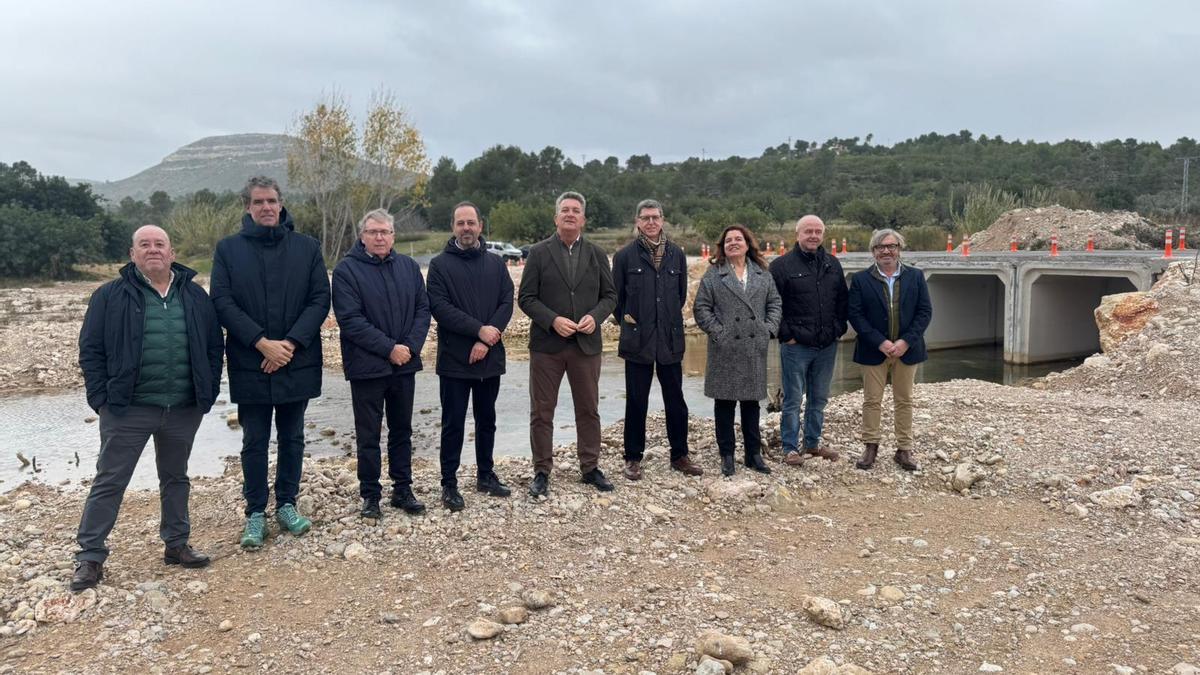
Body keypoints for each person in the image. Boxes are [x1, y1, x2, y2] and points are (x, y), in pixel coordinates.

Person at [72, 225, 224, 591]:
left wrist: (206, 393)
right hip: (127, 409)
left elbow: (212, 348)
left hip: (183, 407)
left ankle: (176, 544)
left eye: (160, 244)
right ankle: (90, 556)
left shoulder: (195, 296)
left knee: (176, 477)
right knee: (110, 480)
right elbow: (90, 350)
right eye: (145, 244)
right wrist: (102, 400)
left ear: (171, 253)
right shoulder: (109, 295)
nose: (153, 249)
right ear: (132, 253)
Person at [211, 176, 330, 548]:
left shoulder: (307, 248)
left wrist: (290, 344)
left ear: (281, 205)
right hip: (251, 359)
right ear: (247, 206)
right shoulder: (228, 250)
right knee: (255, 440)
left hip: (297, 358)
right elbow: (223, 302)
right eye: (259, 201)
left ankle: (288, 504)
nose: (266, 207)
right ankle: (256, 512)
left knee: (293, 437)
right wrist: (262, 343)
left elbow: (319, 299)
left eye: (272, 201)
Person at [331, 209, 431, 519]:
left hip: (404, 365)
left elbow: (422, 310)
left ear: (393, 236)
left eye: (385, 232)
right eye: (373, 232)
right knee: (368, 434)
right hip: (367, 367)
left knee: (402, 430)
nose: (379, 237)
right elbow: (350, 320)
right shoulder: (347, 271)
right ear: (362, 236)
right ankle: (370, 495)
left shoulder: (409, 267)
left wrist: (409, 348)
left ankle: (402, 489)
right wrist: (389, 349)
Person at [517, 191, 617, 496]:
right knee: (542, 411)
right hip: (547, 345)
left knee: (588, 409)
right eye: (565, 210)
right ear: (556, 217)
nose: (570, 214)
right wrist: (552, 320)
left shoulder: (598, 255)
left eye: (575, 210)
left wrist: (595, 317)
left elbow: (610, 297)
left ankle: (590, 467)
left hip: (586, 345)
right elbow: (526, 298)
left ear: (583, 219)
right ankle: (542, 471)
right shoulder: (538, 252)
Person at [426, 202, 514, 511]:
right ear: (453, 227)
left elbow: (506, 301)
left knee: (486, 419)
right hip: (455, 359)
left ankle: (485, 475)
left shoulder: (495, 263)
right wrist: (479, 331)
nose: (466, 228)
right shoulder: (439, 266)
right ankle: (449, 483)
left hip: (490, 356)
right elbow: (441, 308)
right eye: (460, 223)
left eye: (471, 223)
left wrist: (488, 339)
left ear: (480, 225)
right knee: (453, 423)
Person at [612, 199, 702, 480]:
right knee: (636, 401)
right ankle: (632, 458)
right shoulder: (625, 256)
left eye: (656, 217)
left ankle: (680, 455)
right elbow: (617, 300)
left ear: (663, 220)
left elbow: (679, 294)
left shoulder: (676, 255)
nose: (651, 222)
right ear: (637, 222)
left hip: (670, 339)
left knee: (676, 399)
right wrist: (631, 322)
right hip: (637, 340)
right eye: (645, 218)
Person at [693, 224, 781, 477]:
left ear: (747, 243)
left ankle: (753, 454)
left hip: (754, 345)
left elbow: (775, 303)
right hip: (725, 348)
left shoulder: (763, 273)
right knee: (724, 404)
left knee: (752, 404)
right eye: (728, 240)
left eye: (738, 239)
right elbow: (701, 308)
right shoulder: (714, 274)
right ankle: (727, 455)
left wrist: (768, 330)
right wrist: (719, 333)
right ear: (722, 246)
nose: (733, 243)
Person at [847, 228, 933, 471]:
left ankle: (904, 449)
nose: (886, 251)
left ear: (899, 249)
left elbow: (924, 312)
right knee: (872, 400)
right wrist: (880, 342)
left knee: (904, 400)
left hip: (908, 350)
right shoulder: (861, 279)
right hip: (874, 350)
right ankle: (870, 446)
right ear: (873, 252)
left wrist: (906, 341)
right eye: (880, 247)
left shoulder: (916, 277)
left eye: (891, 246)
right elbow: (855, 314)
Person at [769, 214, 848, 466]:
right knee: (793, 399)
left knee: (819, 398)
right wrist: (787, 335)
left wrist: (838, 329)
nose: (813, 235)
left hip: (827, 344)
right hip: (796, 346)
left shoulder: (832, 264)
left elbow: (842, 302)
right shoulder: (781, 266)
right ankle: (790, 448)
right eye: (808, 231)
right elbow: (772, 305)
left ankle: (812, 444)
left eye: (817, 231)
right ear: (797, 234)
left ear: (823, 235)